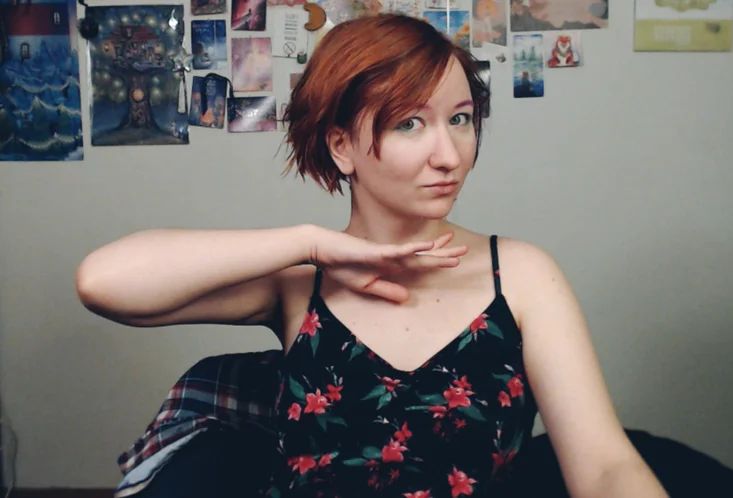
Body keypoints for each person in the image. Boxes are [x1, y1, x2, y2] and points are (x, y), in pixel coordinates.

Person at [76, 13, 668, 498]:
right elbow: (104, 282)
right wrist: (309, 244)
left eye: (461, 119)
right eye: (410, 123)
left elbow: (605, 469)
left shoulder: (521, 276)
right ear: (342, 147)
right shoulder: (298, 285)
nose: (449, 155)